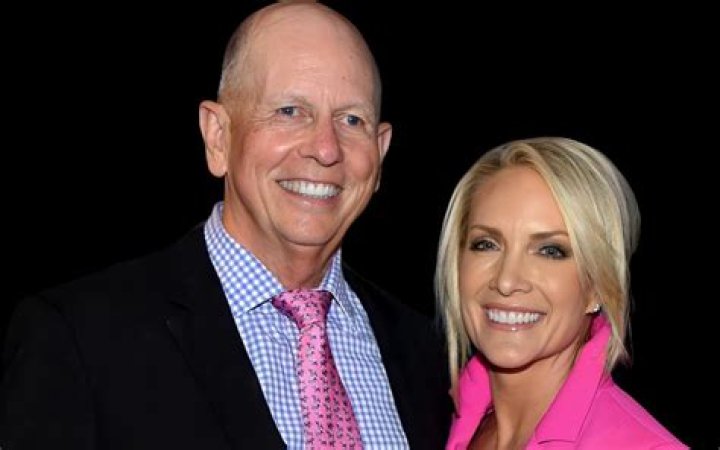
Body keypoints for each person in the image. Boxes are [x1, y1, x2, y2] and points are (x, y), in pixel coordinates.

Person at [0, 2, 451, 449]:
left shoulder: (428, 357)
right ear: (218, 137)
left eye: (351, 120)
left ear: (380, 151)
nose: (326, 148)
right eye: (290, 111)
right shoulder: (80, 338)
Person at [435, 137, 687, 449]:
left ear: (597, 285)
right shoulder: (436, 416)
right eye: (486, 244)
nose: (507, 280)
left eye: (550, 251)